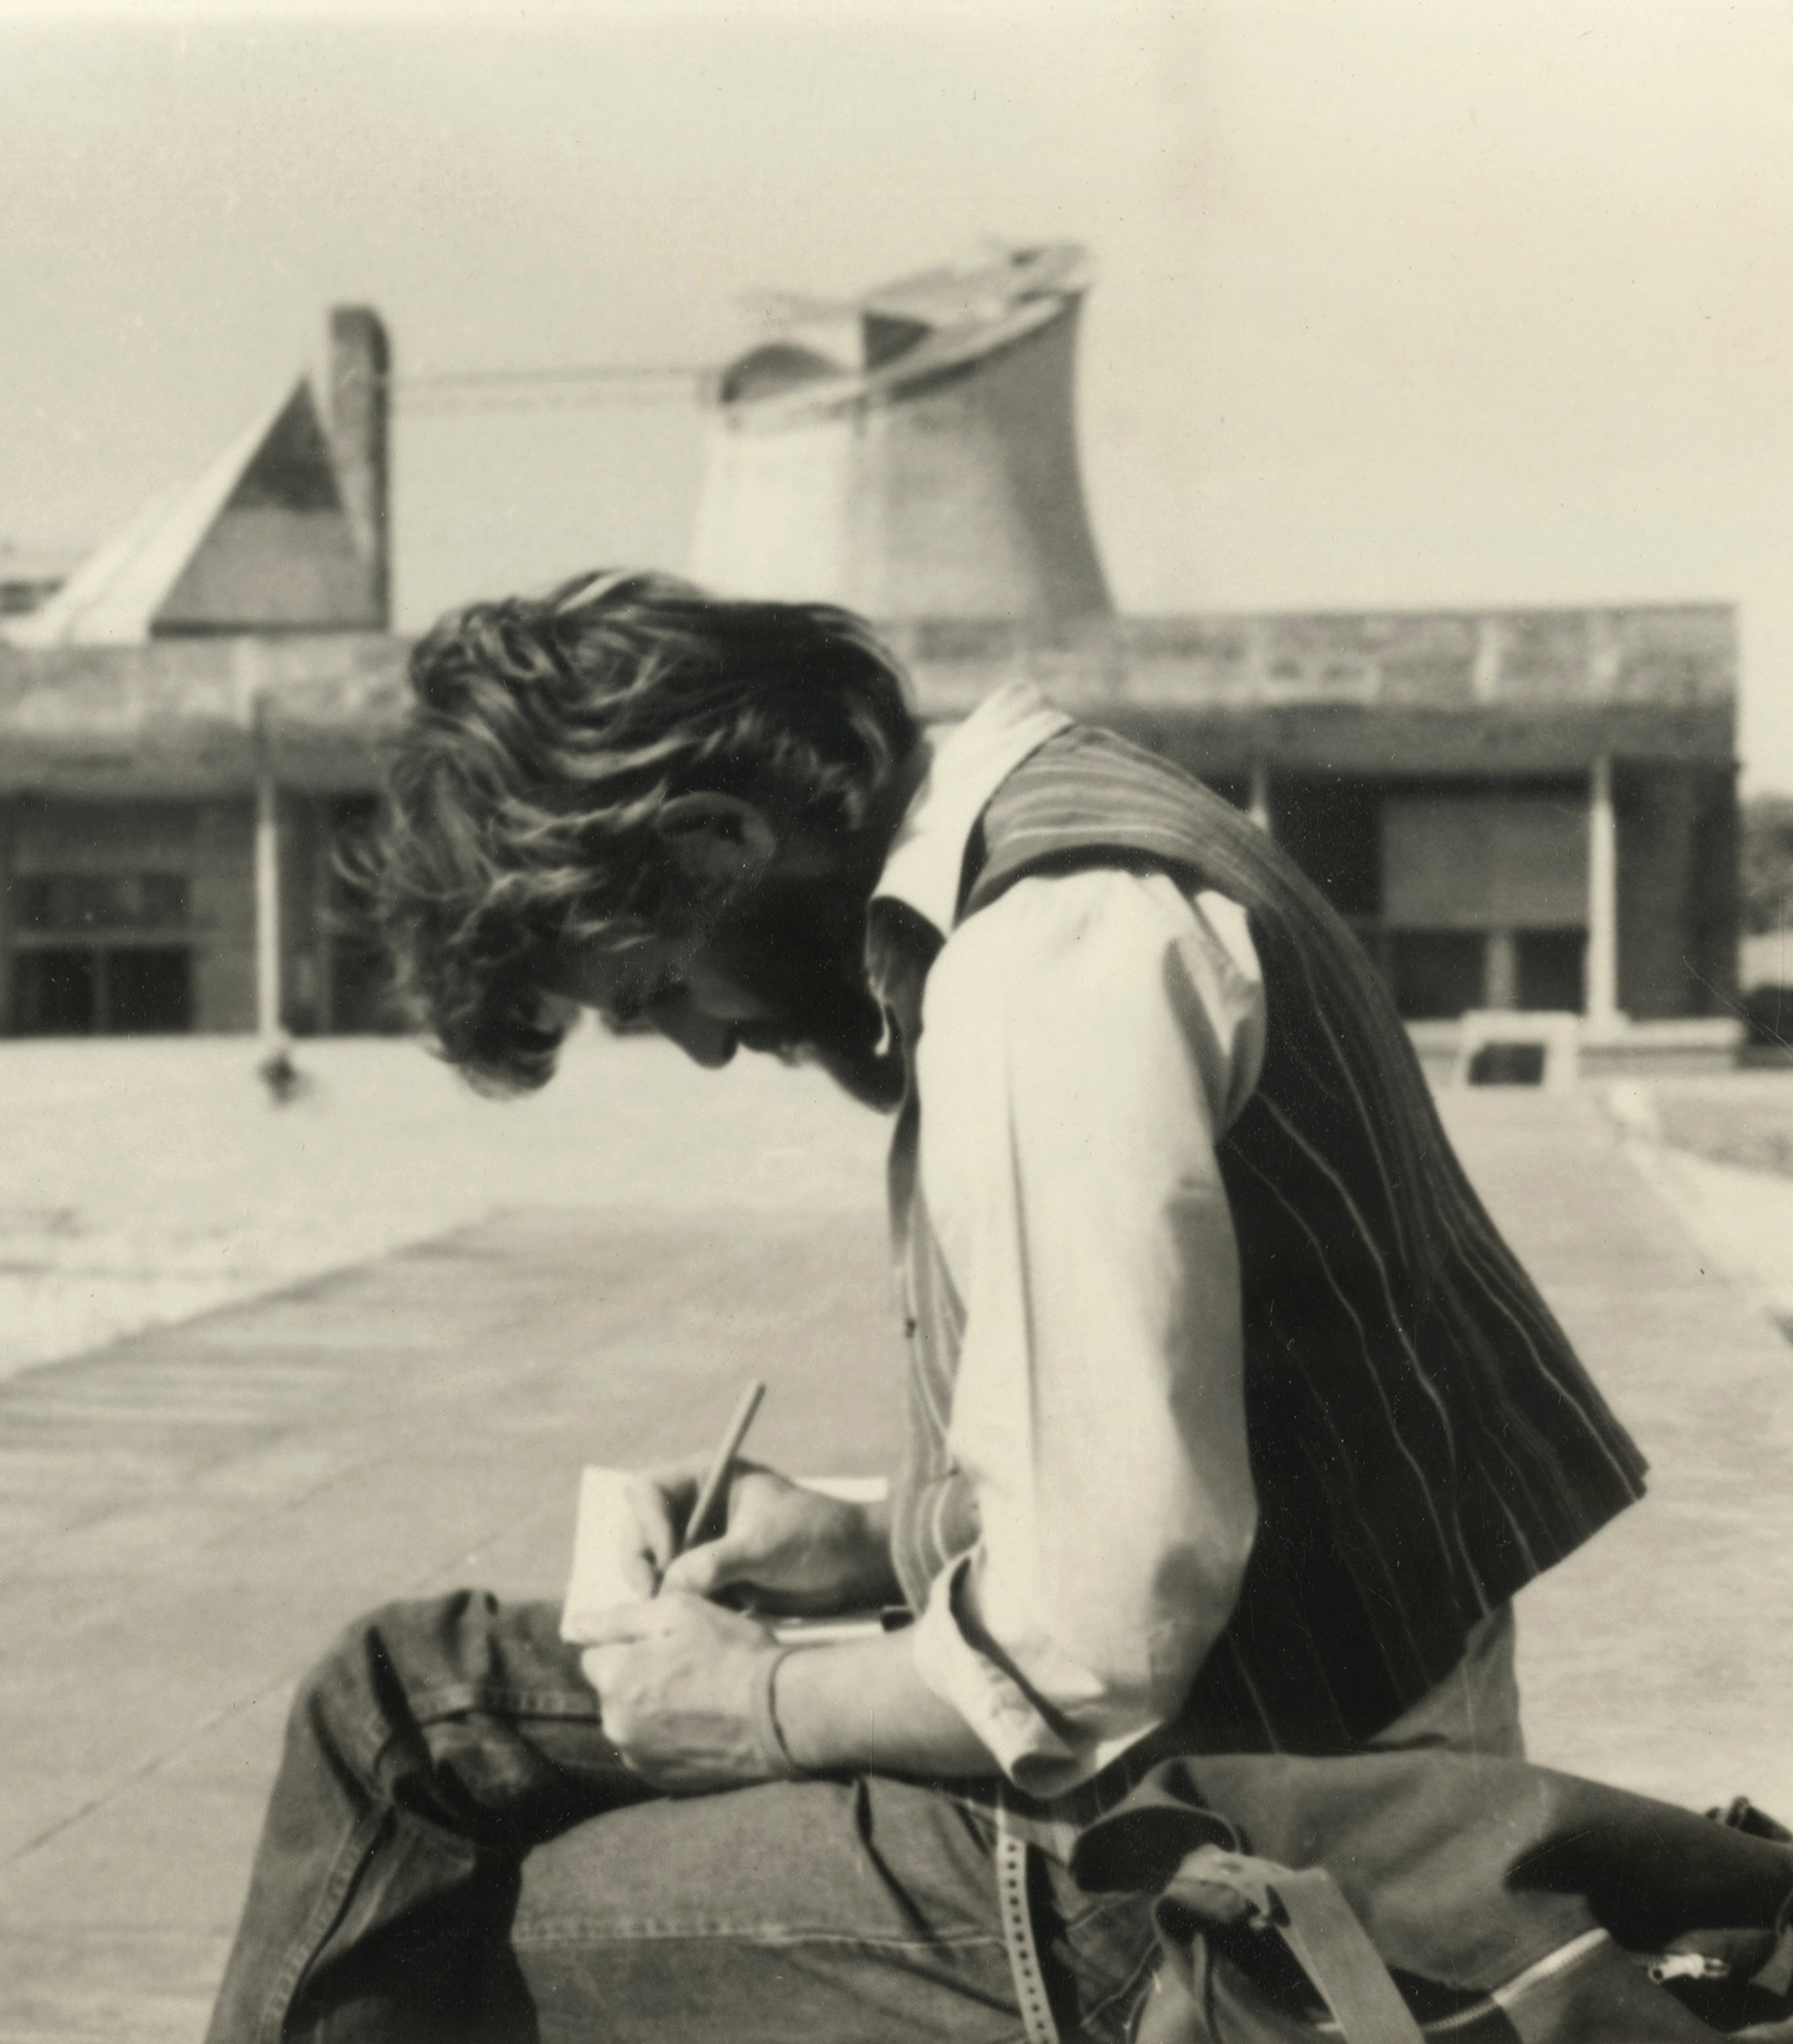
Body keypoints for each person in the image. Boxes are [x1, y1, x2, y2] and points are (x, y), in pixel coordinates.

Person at [204, 573, 1648, 2044]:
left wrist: (755, 1705)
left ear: (719, 840)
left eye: (657, 990)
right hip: (1299, 1751)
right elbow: (1192, 1472)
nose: (706, 1046)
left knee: (448, 1885)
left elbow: (1088, 1649)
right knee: (396, 1697)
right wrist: (859, 1546)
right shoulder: (1061, 839)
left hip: (1234, 1872)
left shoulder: (1045, 974)